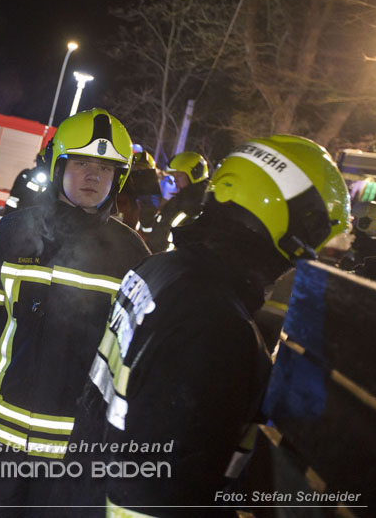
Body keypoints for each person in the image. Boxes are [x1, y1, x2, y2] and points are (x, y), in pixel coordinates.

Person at [72, 134, 350, 515]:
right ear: (283, 215)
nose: (311, 251)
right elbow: (160, 490)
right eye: (315, 231)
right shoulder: (217, 322)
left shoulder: (164, 268)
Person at [0, 108, 151, 515]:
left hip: (73, 446)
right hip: (0, 434)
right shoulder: (11, 234)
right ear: (57, 165)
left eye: (105, 168)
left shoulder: (133, 255)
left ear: (119, 178)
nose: (93, 176)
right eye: (81, 162)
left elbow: (134, 357)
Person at [145, 151, 210, 253]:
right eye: (174, 176)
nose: (175, 181)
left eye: (179, 176)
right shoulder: (180, 200)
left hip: (169, 263)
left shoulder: (198, 207)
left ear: (195, 174)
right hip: (158, 260)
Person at [4, 144, 52, 214]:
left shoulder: (52, 181)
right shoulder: (26, 175)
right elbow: (15, 193)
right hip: (17, 212)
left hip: (35, 216)